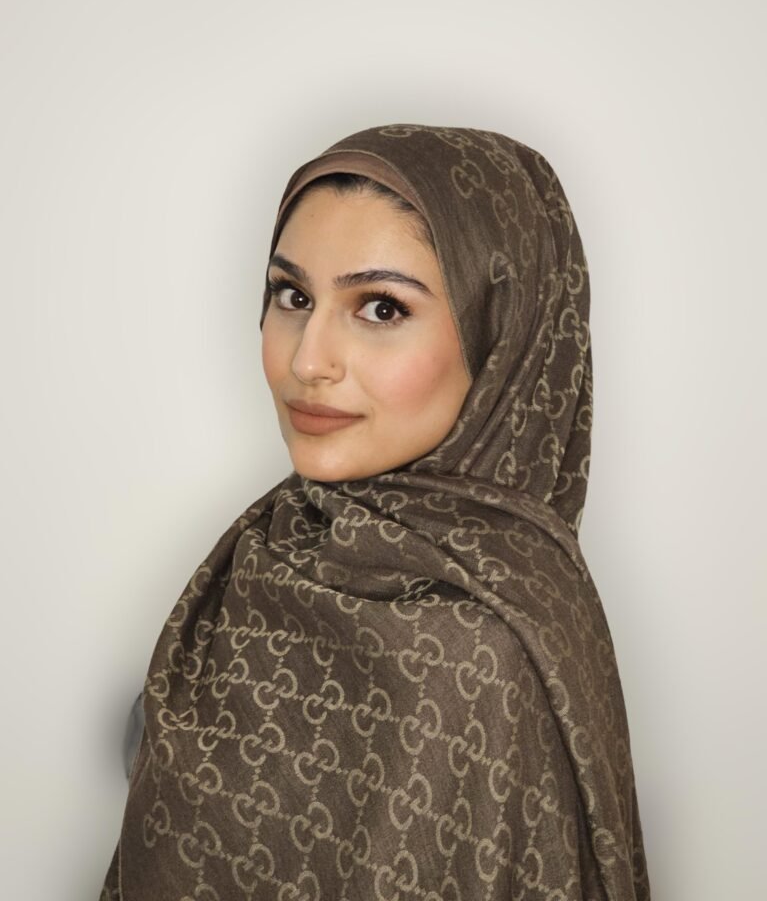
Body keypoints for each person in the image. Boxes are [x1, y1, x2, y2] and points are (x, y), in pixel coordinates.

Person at [99, 124, 651, 900]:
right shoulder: (268, 549)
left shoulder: (489, 651)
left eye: (382, 308)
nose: (307, 360)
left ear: (501, 338)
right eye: (293, 296)